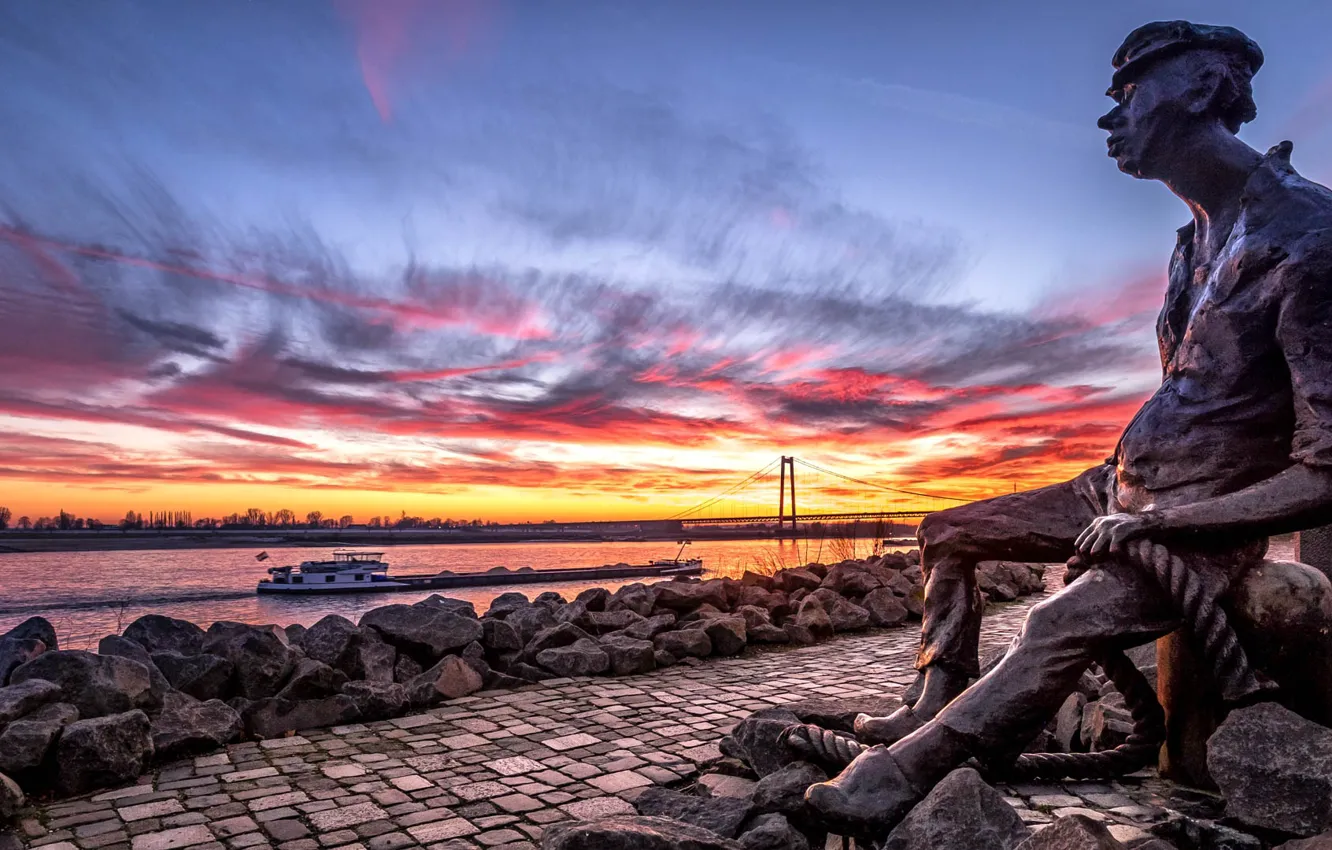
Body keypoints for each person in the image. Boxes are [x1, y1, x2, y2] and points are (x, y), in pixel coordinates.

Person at [807, 20, 1332, 834]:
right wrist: (1127, 502)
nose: (1109, 116)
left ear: (1200, 89)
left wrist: (1166, 525)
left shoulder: (1308, 236)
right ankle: (934, 696)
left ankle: (908, 775)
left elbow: (1326, 469)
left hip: (1197, 524)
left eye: (1130, 93)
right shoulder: (1191, 243)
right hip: (1117, 492)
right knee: (946, 531)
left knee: (1056, 620)